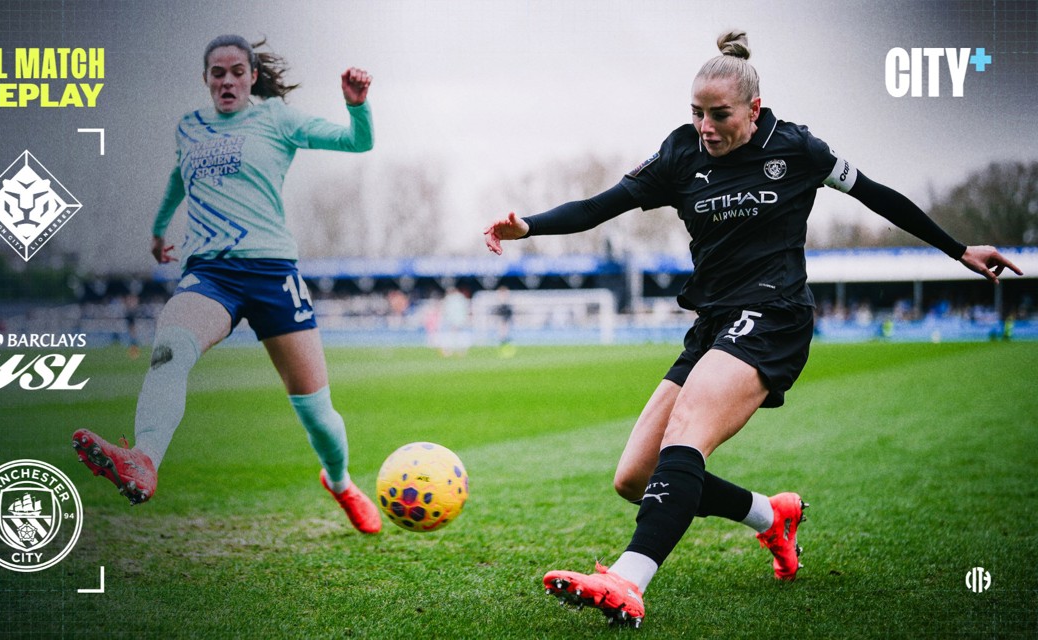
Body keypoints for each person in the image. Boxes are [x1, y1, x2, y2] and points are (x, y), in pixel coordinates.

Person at [483, 30, 1021, 628]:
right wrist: (526, 226)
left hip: (774, 314)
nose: (706, 127)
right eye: (696, 113)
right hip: (713, 323)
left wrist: (957, 249)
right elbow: (599, 206)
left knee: (686, 430)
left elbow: (878, 197)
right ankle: (772, 516)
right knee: (635, 477)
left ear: (753, 111)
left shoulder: (797, 148)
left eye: (719, 115)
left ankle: (627, 579)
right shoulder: (680, 154)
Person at [72, 35, 381, 534]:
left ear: (252, 76)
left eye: (237, 71)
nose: (228, 81)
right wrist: (158, 230)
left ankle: (341, 482)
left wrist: (357, 106)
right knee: (170, 347)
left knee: (317, 413)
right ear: (205, 79)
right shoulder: (189, 128)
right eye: (218, 73)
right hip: (210, 272)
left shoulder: (277, 118)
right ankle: (144, 458)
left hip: (273, 273)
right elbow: (178, 177)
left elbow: (357, 141)